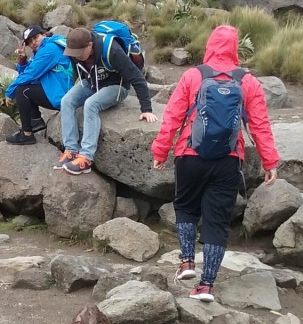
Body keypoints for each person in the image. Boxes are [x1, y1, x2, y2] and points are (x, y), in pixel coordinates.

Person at [150, 25, 280, 303]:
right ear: (235, 49)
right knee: (217, 221)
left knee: (185, 207)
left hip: (190, 155)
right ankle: (206, 285)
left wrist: (160, 151)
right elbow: (259, 126)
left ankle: (186, 263)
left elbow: (172, 117)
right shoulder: (248, 82)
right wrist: (270, 160)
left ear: (210, 45)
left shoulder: (192, 76)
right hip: (228, 160)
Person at [55, 26, 158, 174]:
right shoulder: (74, 52)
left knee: (91, 104)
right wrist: (75, 92)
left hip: (116, 86)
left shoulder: (112, 51)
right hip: (92, 83)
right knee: (66, 101)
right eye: (73, 54)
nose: (76, 56)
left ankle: (86, 158)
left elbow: (137, 78)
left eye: (79, 53)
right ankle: (71, 150)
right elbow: (77, 73)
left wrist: (146, 109)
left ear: (89, 45)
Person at [4, 25, 74, 145]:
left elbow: (30, 75)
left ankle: (26, 134)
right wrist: (23, 60)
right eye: (29, 42)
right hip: (60, 90)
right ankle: (35, 121)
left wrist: (10, 92)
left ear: (43, 34)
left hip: (62, 95)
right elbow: (29, 75)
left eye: (35, 38)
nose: (33, 43)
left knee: (22, 90)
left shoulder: (50, 50)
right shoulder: (46, 48)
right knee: (24, 88)